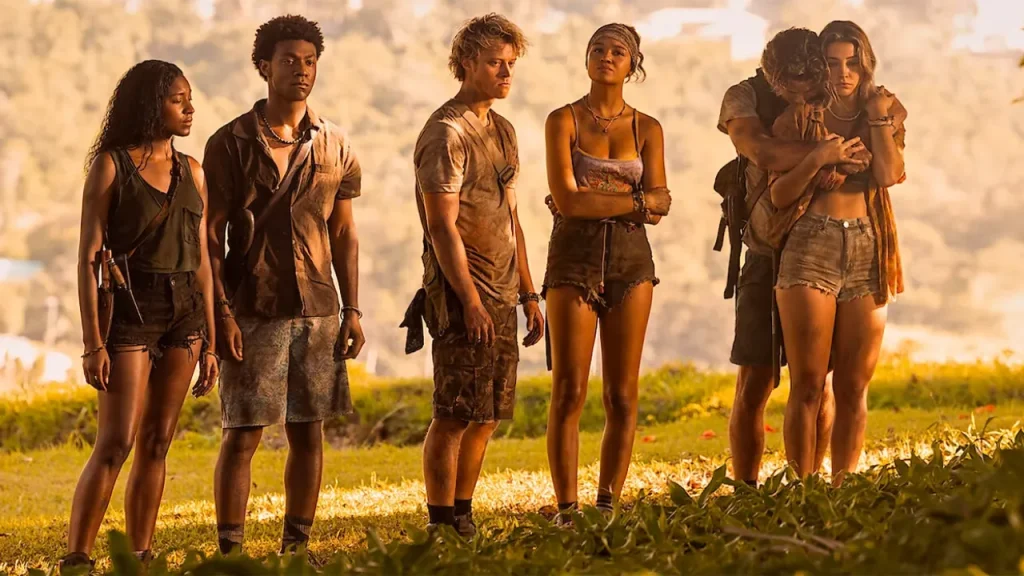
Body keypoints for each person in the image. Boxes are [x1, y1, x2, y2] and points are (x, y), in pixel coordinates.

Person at [203, 15, 365, 555]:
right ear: (263, 67)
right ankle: (231, 554)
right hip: (252, 302)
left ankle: (296, 548)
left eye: (310, 61)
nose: (302, 70)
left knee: (308, 429)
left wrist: (353, 309)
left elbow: (344, 231)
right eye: (290, 60)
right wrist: (221, 312)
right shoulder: (229, 142)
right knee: (243, 431)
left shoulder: (336, 144)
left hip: (318, 304)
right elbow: (211, 234)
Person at [64, 60, 219, 568]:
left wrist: (211, 342)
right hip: (131, 309)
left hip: (185, 316)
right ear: (152, 105)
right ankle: (78, 557)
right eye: (178, 100)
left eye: (189, 98)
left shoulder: (193, 171)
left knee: (157, 442)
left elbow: (202, 261)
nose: (189, 109)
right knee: (116, 442)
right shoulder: (112, 166)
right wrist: (93, 342)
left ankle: (139, 556)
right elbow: (89, 258)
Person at [401, 13, 542, 538]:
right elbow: (441, 225)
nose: (505, 73)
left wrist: (529, 292)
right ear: (465, 64)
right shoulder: (446, 133)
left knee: (488, 414)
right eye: (494, 63)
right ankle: (440, 521)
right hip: (464, 293)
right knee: (455, 411)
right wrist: (471, 300)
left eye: (511, 64)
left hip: (504, 290)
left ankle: (463, 514)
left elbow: (511, 217)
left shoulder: (502, 130)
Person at [717, 28, 868, 485]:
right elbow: (761, 151)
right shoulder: (745, 96)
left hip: (820, 245)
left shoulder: (832, 94)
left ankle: (812, 482)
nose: (800, 90)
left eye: (808, 79)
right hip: (766, 249)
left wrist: (835, 156)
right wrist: (825, 156)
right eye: (790, 82)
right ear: (772, 74)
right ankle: (746, 489)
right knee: (755, 381)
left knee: (818, 381)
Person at [541, 23, 671, 520]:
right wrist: (635, 201)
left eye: (618, 51)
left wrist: (601, 200)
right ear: (586, 58)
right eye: (598, 49)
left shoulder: (647, 128)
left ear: (633, 64)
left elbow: (661, 207)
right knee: (569, 390)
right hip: (573, 258)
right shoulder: (563, 120)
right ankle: (567, 508)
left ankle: (606, 505)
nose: (606, 57)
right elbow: (570, 202)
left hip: (632, 262)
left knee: (622, 394)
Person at [767, 21, 906, 483]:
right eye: (832, 63)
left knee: (853, 385)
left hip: (868, 243)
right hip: (811, 242)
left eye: (852, 63)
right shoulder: (798, 118)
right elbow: (779, 195)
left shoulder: (884, 109)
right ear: (818, 67)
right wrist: (820, 158)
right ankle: (802, 487)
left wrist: (880, 118)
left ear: (866, 64)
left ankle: (844, 488)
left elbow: (887, 175)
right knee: (808, 382)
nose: (843, 73)